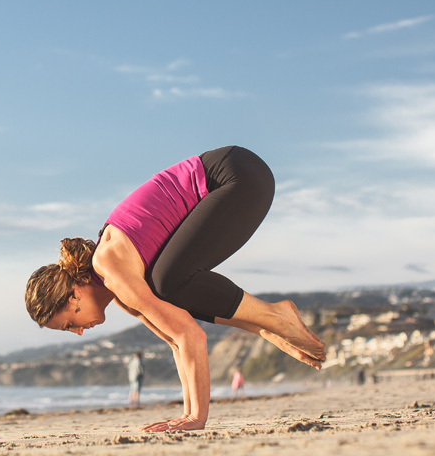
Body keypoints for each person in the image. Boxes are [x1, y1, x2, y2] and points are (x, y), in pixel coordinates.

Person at [24, 146, 325, 432]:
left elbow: (191, 334)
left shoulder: (110, 267)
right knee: (165, 288)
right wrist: (187, 413)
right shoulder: (121, 292)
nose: (78, 332)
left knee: (166, 283)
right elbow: (175, 341)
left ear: (73, 294)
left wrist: (197, 417)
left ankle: (274, 314)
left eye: (67, 325)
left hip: (237, 176)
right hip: (241, 178)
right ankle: (267, 323)